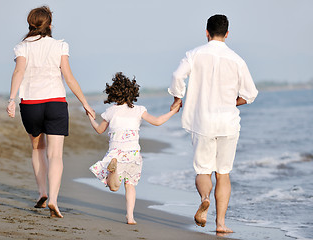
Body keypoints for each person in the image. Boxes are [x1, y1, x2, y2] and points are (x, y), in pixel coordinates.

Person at [168, 14, 258, 233]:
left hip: (202, 122)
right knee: (223, 173)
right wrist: (231, 102)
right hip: (228, 123)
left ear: (206, 32)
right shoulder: (237, 60)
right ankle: (221, 224)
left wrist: (178, 97)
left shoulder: (194, 55)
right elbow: (250, 94)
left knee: (203, 171)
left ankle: (205, 198)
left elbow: (177, 76)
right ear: (227, 34)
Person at [6, 6, 95, 218]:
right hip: (56, 103)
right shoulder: (60, 46)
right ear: (50, 25)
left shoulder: (22, 47)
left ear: (30, 24)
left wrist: (11, 99)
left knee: (38, 149)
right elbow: (69, 78)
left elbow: (19, 71)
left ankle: (42, 193)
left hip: (31, 104)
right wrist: (85, 103)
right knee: (55, 154)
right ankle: (54, 199)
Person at [88, 72, 180, 225]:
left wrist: (90, 116)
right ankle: (130, 217)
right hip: (134, 155)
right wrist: (173, 111)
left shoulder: (111, 111)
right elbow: (157, 121)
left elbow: (99, 130)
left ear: (113, 93)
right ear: (133, 92)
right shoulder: (139, 110)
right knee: (130, 185)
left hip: (116, 153)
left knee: (113, 187)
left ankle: (113, 172)